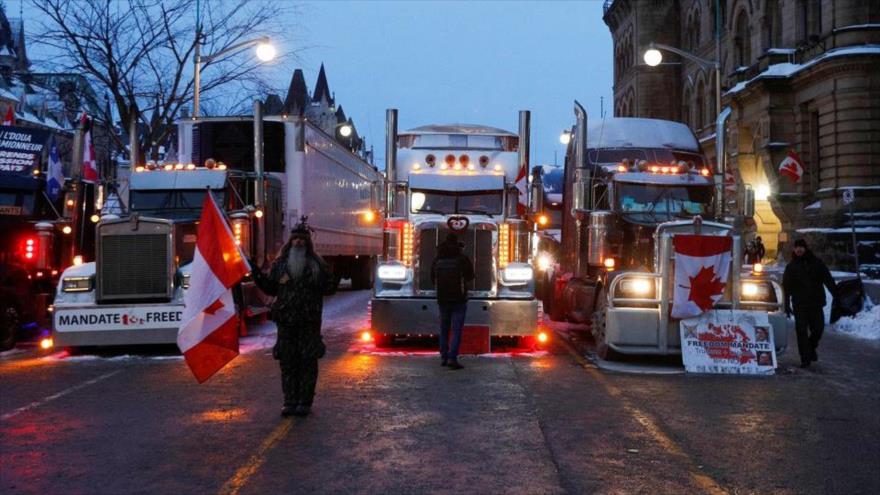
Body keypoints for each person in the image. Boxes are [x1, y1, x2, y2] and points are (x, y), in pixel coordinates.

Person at [252, 217, 333, 417]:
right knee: (288, 362)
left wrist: (328, 276)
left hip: (309, 322)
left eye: (302, 239)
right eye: (295, 239)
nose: (298, 242)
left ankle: (305, 401)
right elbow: (271, 288)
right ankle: (289, 401)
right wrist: (255, 273)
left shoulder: (316, 265)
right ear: (290, 242)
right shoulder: (279, 266)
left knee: (307, 361)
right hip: (286, 322)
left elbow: (328, 288)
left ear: (307, 243)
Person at [782, 239, 837, 368]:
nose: (799, 250)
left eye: (801, 247)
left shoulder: (817, 263)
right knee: (801, 331)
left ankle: (811, 348)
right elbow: (786, 287)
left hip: (816, 303)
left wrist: (836, 295)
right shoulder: (791, 267)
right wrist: (786, 304)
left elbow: (828, 279)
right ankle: (805, 359)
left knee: (818, 329)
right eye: (797, 248)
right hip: (799, 304)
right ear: (794, 250)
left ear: (805, 248)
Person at [431, 233, 474, 370]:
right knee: (456, 330)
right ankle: (452, 358)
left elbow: (432, 278)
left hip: (442, 299)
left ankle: (443, 356)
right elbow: (470, 276)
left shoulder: (437, 259)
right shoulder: (462, 258)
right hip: (459, 299)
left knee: (444, 328)